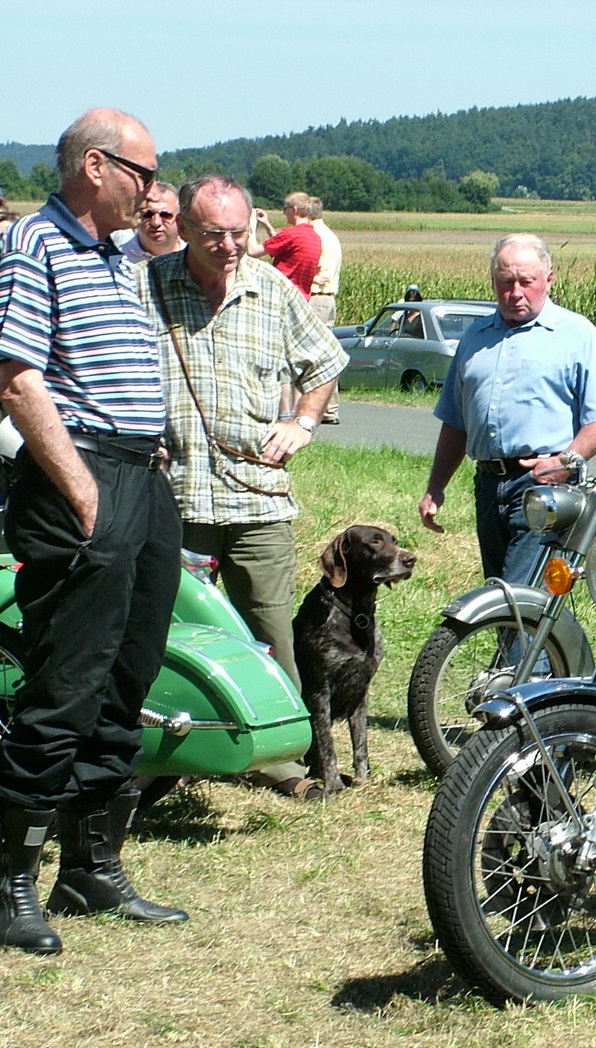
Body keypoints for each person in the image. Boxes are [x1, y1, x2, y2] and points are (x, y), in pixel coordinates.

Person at [0, 107, 188, 954]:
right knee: (64, 682)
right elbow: (16, 375)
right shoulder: (33, 245)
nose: (154, 192)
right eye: (144, 173)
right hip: (89, 481)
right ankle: (8, 887)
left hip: (143, 481)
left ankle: (91, 866)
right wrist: (81, 490)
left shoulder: (117, 258)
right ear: (98, 167)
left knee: (127, 676)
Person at [138, 174, 347, 800]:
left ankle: (285, 760)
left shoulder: (271, 288)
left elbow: (327, 361)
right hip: (173, 497)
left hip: (256, 497)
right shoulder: (146, 286)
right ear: (183, 228)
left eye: (237, 233)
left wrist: (303, 422)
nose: (229, 246)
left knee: (270, 631)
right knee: (162, 631)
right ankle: (163, 752)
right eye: (213, 235)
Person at [419, 234, 596, 581]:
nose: (515, 293)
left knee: (520, 596)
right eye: (505, 282)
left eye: (525, 282)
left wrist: (564, 462)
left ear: (549, 279)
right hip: (488, 484)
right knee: (498, 594)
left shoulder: (577, 335)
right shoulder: (475, 337)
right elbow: (456, 421)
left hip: (544, 487)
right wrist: (435, 486)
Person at [305, 196, 342, 424]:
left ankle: (317, 409)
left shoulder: (314, 236)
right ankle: (330, 408)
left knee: (312, 355)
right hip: (328, 298)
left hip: (317, 296)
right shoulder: (330, 234)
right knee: (327, 354)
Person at [247, 191, 321, 299]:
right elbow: (283, 244)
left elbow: (252, 251)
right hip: (301, 299)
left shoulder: (291, 234)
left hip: (283, 297)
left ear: (294, 210)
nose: (284, 212)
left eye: (285, 208)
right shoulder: (315, 238)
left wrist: (251, 225)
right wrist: (267, 225)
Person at [117, 181, 183, 266]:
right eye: (148, 214)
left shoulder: (196, 257)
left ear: (180, 219)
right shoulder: (118, 260)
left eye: (165, 215)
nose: (156, 223)